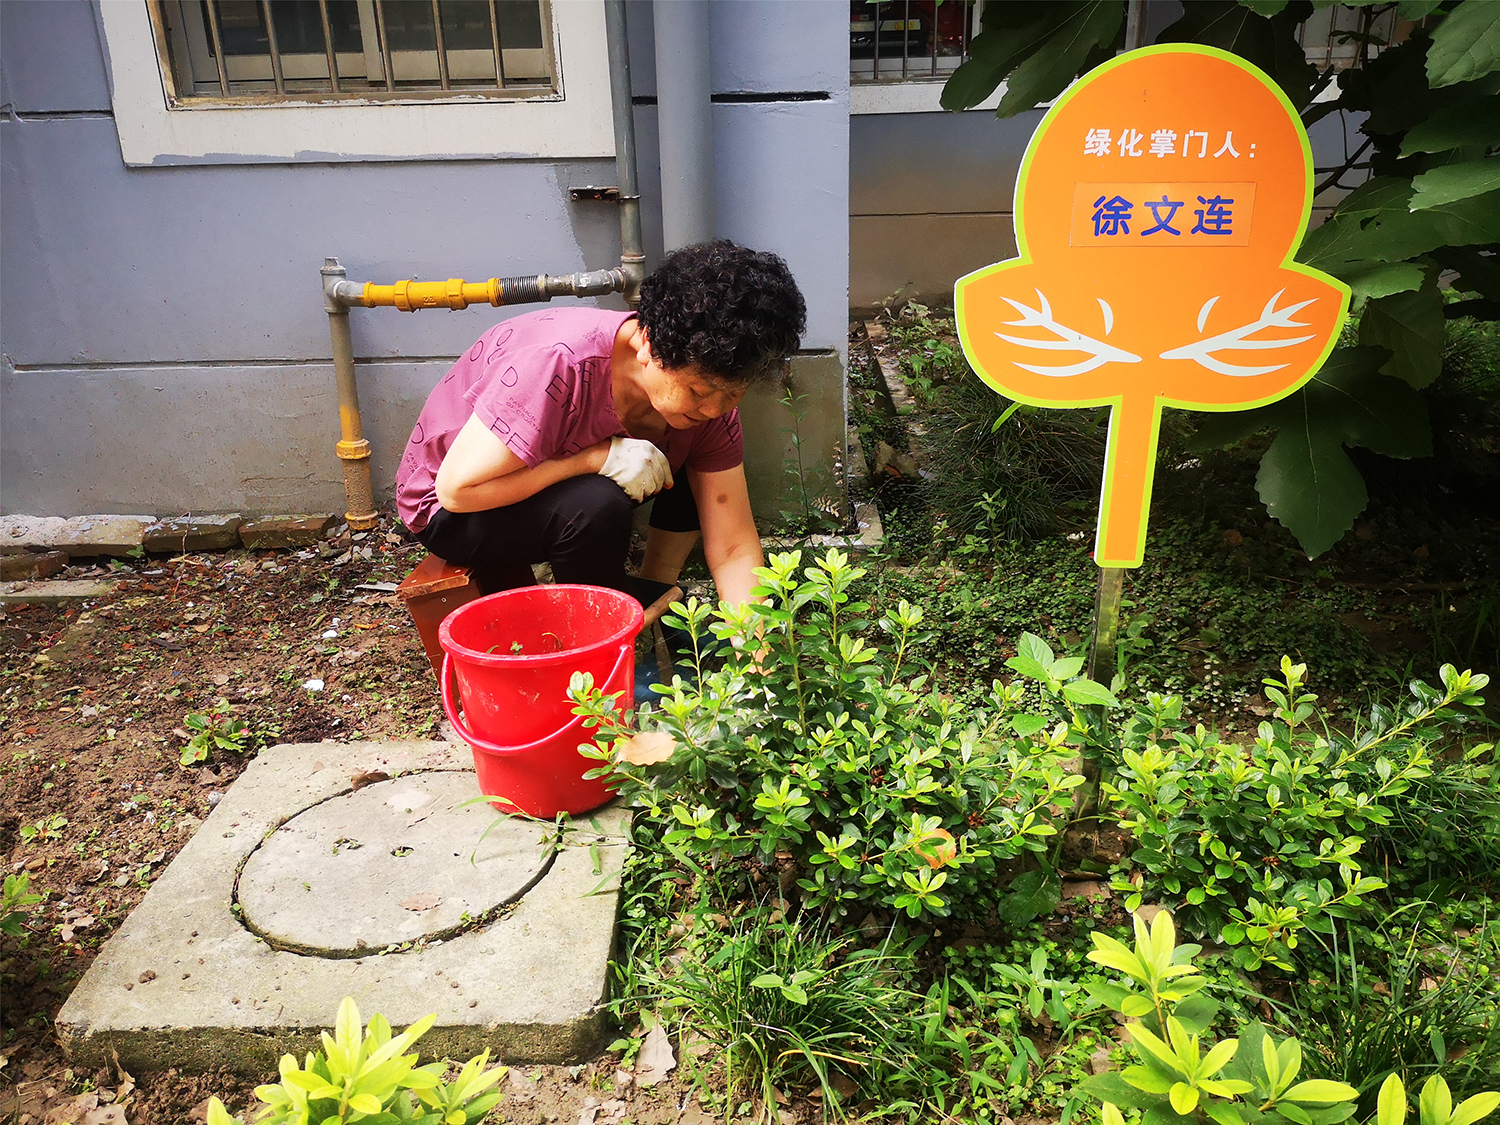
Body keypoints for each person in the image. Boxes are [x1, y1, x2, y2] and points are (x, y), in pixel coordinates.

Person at [395, 240, 808, 611]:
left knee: (694, 460)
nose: (714, 408)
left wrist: (758, 650)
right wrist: (595, 458)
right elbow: (456, 490)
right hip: (452, 507)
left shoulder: (707, 406)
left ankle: (651, 588)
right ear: (648, 345)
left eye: (732, 395)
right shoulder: (558, 364)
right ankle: (601, 637)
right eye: (699, 391)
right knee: (594, 503)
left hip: (531, 482)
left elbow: (734, 545)